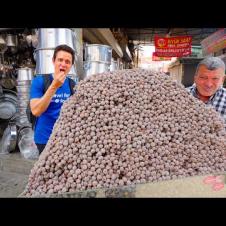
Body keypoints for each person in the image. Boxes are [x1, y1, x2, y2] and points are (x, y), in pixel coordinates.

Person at [29, 44, 76, 153]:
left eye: (67, 62)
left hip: (65, 139)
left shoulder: (73, 85)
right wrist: (54, 86)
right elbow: (36, 111)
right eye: (60, 60)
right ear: (53, 61)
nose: (63, 64)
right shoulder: (39, 81)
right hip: (44, 139)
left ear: (71, 65)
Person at [187, 56, 226, 125]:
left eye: (215, 78)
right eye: (203, 77)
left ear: (222, 80)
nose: (208, 84)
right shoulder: (181, 95)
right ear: (195, 77)